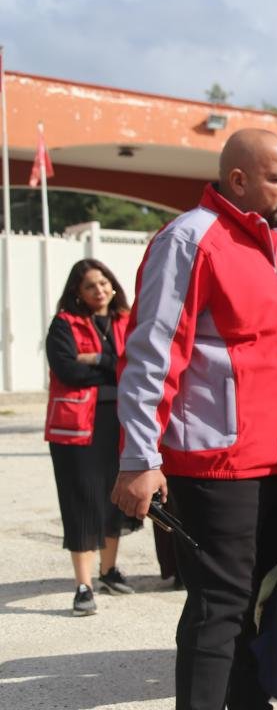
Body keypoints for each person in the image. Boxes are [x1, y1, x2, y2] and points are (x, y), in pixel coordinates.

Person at [112, 128, 277, 710]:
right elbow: (151, 353)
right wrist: (140, 458)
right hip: (217, 464)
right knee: (219, 608)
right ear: (238, 180)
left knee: (258, 604)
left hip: (275, 464)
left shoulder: (271, 247)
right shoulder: (190, 239)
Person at [44, 259, 140, 615]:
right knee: (82, 501)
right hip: (77, 430)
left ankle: (108, 571)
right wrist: (113, 367)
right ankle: (83, 586)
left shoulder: (127, 320)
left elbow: (135, 364)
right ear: (77, 293)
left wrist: (97, 358)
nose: (99, 290)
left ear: (113, 285)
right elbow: (67, 370)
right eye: (89, 286)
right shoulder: (63, 324)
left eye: (103, 282)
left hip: (121, 423)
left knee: (116, 497)